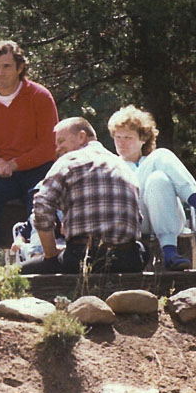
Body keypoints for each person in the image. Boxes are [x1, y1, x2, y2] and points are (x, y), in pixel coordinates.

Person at [108, 105, 196, 270]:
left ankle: (170, 253)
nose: (121, 143)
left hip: (166, 218)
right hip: (135, 219)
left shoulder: (154, 164)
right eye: (117, 137)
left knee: (159, 179)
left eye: (128, 137)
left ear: (143, 139)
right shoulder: (111, 164)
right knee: (162, 154)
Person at [0, 40, 58, 276]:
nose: (0, 72)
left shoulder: (40, 96)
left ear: (20, 68)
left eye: (7, 66)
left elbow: (50, 146)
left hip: (37, 168)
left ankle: (37, 257)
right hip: (2, 173)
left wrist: (15, 164)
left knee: (40, 196)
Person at [21, 117, 146, 275]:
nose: (58, 149)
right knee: (143, 250)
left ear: (81, 136)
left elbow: (41, 205)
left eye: (61, 141)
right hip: (127, 259)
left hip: (83, 257)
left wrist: (51, 253)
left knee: (21, 271)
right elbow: (137, 218)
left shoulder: (69, 161)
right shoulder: (122, 165)